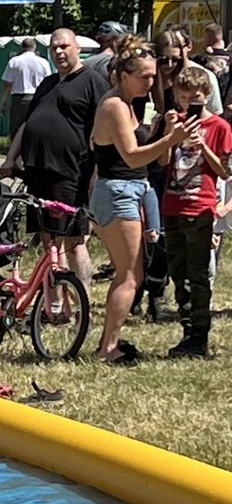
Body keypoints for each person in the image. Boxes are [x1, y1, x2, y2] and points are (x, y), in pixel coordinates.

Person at [88, 37, 189, 364]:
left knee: (127, 274)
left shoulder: (133, 105)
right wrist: (170, 138)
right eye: (144, 77)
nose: (151, 82)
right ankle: (108, 349)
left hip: (132, 190)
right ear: (123, 75)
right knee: (131, 275)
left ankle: (108, 342)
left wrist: (166, 135)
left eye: (153, 76)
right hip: (118, 191)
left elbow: (157, 161)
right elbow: (132, 158)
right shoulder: (114, 105)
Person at [2, 28, 110, 289]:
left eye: (64, 46)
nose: (59, 52)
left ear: (77, 48)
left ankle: (81, 299)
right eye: (54, 48)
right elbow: (28, 124)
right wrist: (9, 160)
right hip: (37, 170)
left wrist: (97, 172)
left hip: (70, 172)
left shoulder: (93, 81)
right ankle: (55, 304)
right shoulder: (48, 83)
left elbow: (104, 129)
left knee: (73, 241)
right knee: (49, 240)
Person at [160, 66, 232, 358]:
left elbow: (225, 171)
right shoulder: (176, 123)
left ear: (207, 95)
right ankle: (187, 328)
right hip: (172, 204)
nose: (190, 102)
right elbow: (163, 160)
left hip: (200, 205)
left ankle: (199, 335)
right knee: (178, 271)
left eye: (196, 97)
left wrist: (205, 147)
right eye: (185, 96)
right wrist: (168, 131)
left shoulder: (219, 127)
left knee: (198, 272)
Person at [0, 37, 51, 139]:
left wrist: (2, 102)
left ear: (22, 47)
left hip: (19, 99)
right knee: (36, 127)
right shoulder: (43, 62)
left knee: (17, 129)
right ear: (34, 47)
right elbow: (49, 82)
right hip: (37, 98)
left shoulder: (14, 61)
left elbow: (7, 84)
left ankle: (17, 152)